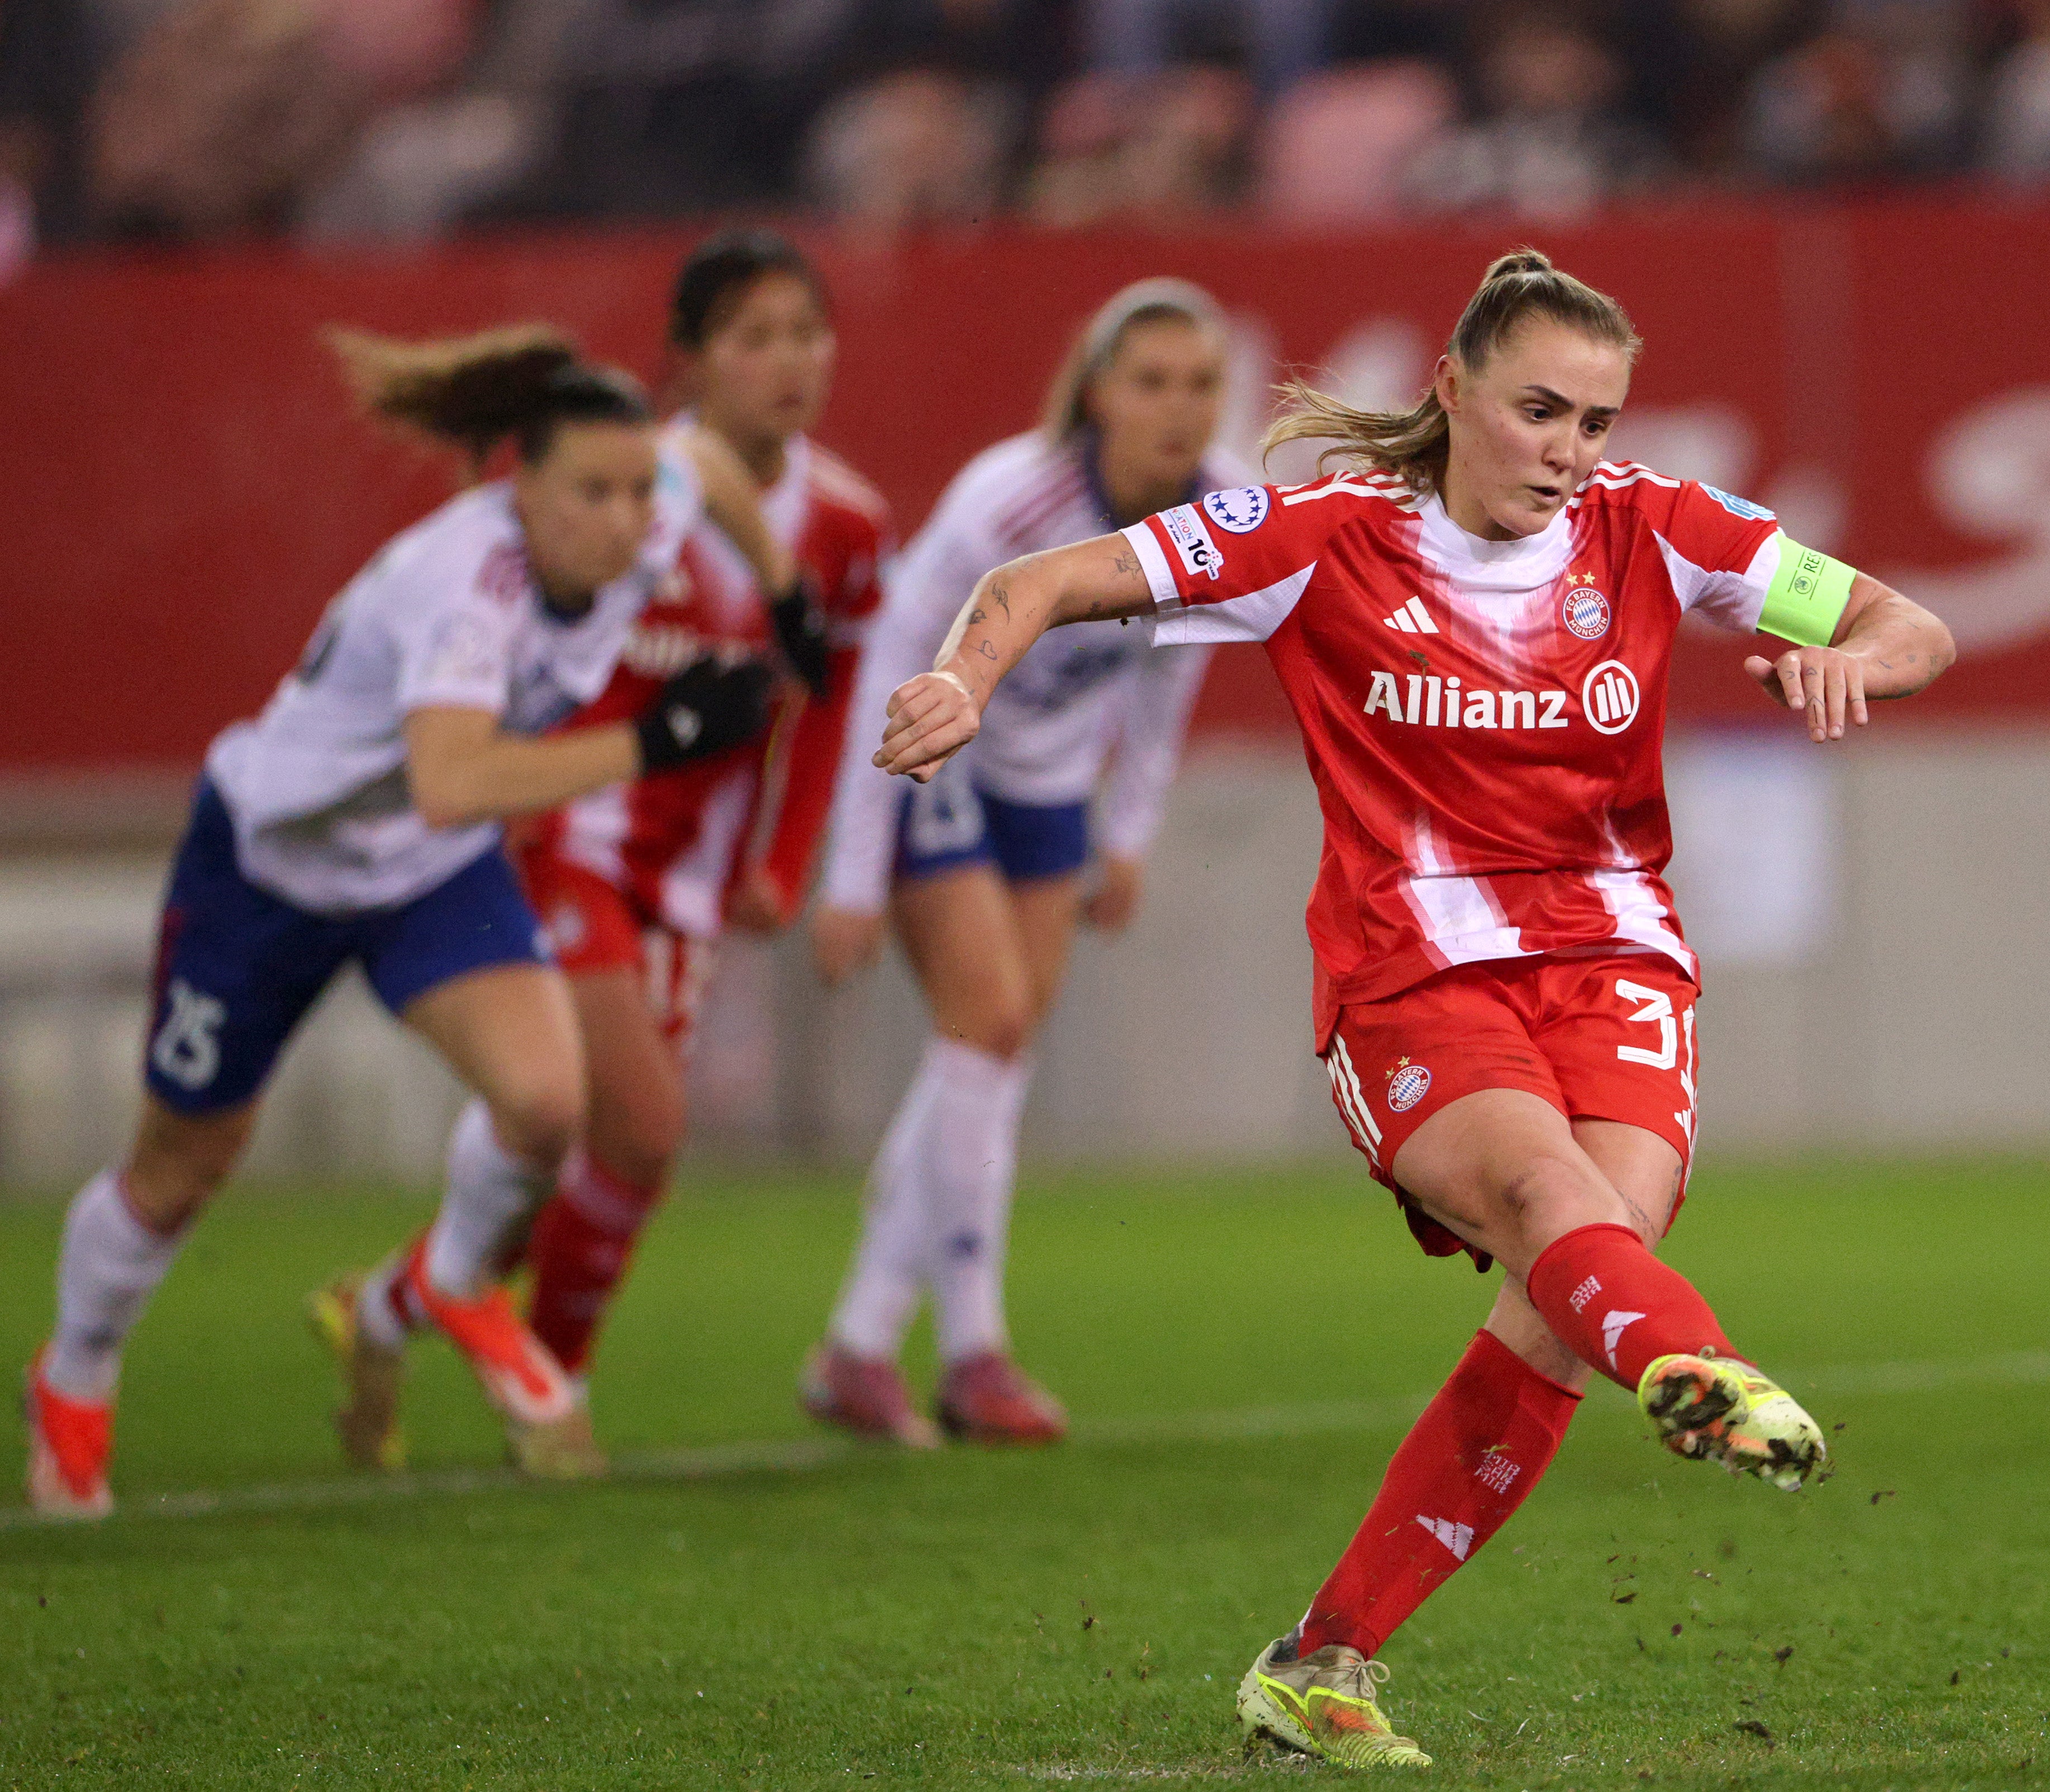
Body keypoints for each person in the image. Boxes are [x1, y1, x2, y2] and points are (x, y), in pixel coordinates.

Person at [871, 249, 1955, 1766]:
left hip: (1614, 960)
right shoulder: (1319, 540)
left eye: (1593, 420)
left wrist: (1855, 669)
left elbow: (1911, 624)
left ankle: (1322, 1663)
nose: (1567, 452)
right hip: (1412, 969)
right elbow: (1039, 581)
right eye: (1536, 411)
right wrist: (962, 682)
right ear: (1449, 390)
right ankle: (1697, 1368)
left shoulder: (1658, 527)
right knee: (1545, 1201)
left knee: (1576, 1275)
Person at [23, 324, 802, 1518]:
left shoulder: (655, 507)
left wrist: (788, 602)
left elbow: (716, 467)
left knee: (547, 1102)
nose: (627, 515)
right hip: (270, 863)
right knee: (182, 1167)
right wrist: (655, 741)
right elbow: (454, 777)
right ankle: (72, 1382)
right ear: (518, 491)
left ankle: (448, 1280)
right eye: (591, 491)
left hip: (422, 872)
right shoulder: (463, 587)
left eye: (637, 489)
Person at [308, 230, 893, 1478]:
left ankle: (389, 1307)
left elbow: (835, 697)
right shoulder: (629, 493)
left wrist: (790, 856)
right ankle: (549, 1385)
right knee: (639, 1123)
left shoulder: (849, 520)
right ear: (688, 361)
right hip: (570, 838)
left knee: (598, 1153)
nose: (787, 361)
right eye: (754, 337)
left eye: (806, 332)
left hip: (692, 871)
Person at [802, 278, 1235, 1447]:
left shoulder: (1223, 511)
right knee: (987, 1024)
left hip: (1046, 786)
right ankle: (973, 1350)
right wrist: (850, 873)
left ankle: (856, 1342)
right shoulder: (1012, 500)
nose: (1178, 408)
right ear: (1096, 392)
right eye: (1150, 381)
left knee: (984, 1055)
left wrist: (1127, 832)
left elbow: (1167, 678)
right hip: (941, 764)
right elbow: (895, 655)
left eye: (1199, 382)